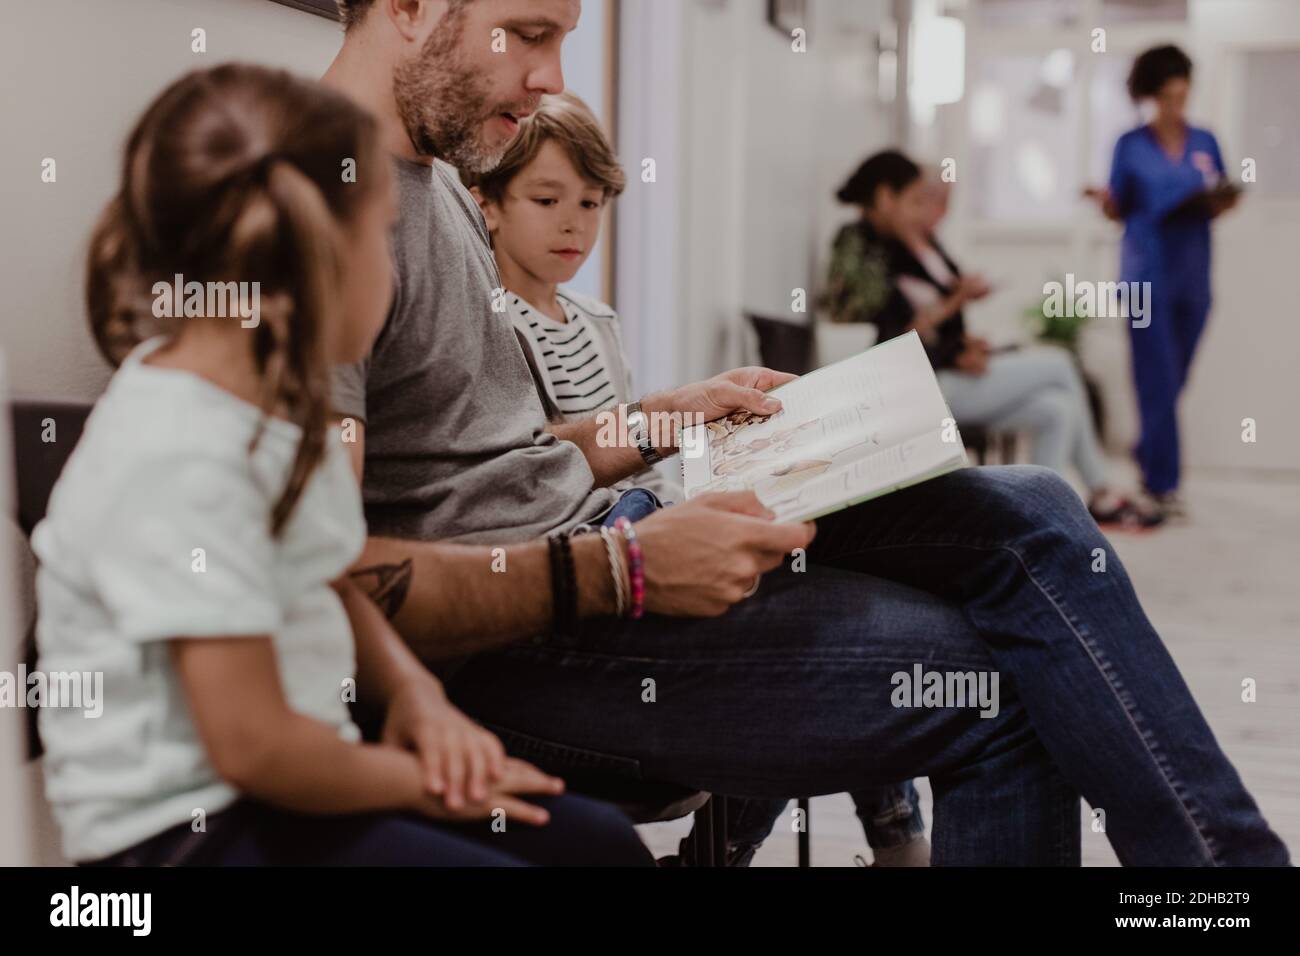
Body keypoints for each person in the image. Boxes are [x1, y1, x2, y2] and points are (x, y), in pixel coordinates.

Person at [325, 0, 1288, 866]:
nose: (555, 79)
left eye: (565, 39)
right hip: (522, 643)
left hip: (602, 534)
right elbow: (324, 576)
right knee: (996, 688)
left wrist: (674, 414)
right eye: (530, 34)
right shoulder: (313, 209)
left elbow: (501, 457)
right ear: (409, 6)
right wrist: (623, 568)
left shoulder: (441, 179)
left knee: (1035, 507)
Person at [32, 63, 652, 867]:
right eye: (379, 234)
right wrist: (414, 782)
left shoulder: (287, 409)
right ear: (313, 257)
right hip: (190, 834)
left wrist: (415, 698)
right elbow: (253, 747)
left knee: (596, 845)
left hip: (296, 781)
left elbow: (326, 571)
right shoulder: (181, 451)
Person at [461, 90, 930, 866]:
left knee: (826, 558)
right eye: (546, 200)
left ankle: (891, 828)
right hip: (588, 543)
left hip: (642, 504)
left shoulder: (595, 320)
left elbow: (629, 437)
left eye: (591, 202)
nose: (574, 222)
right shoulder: (494, 321)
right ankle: (785, 845)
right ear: (488, 207)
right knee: (783, 637)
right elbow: (536, 457)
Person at [825, 150, 1161, 530]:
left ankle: (1039, 517)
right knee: (1059, 364)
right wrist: (953, 344)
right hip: (918, 387)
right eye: (917, 201)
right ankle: (1100, 491)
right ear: (886, 198)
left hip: (938, 370)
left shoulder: (903, 247)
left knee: (1056, 408)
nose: (925, 212)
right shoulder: (866, 249)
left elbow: (920, 325)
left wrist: (958, 343)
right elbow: (891, 337)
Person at [1086, 45, 1239, 520]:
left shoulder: (1206, 142)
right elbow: (1117, 208)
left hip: (1193, 272)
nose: (1177, 105)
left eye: (1183, 95)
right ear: (1151, 95)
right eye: (1168, 96)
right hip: (1144, 274)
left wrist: (1220, 201)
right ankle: (1162, 485)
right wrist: (1103, 200)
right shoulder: (1129, 145)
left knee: (1173, 378)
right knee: (1156, 378)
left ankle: (1147, 449)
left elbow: (1222, 192)